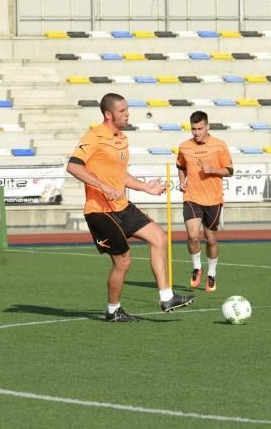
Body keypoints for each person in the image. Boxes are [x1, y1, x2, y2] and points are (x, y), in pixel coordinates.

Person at [67, 93, 194, 322]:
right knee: (123, 261)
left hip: (122, 206)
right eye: (122, 111)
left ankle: (166, 297)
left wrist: (144, 187)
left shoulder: (122, 138)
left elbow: (119, 174)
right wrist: (102, 186)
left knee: (159, 237)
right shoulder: (94, 136)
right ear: (108, 114)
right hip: (100, 211)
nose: (127, 114)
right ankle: (113, 310)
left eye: (127, 110)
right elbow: (73, 166)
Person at [176, 111, 233, 293]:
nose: (196, 133)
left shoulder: (219, 145)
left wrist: (213, 170)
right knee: (193, 235)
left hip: (213, 199)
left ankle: (212, 274)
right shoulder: (184, 147)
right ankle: (196, 267)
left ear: (207, 127)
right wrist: (182, 181)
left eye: (200, 129)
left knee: (210, 239)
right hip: (192, 197)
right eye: (193, 129)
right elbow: (181, 166)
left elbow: (229, 170)